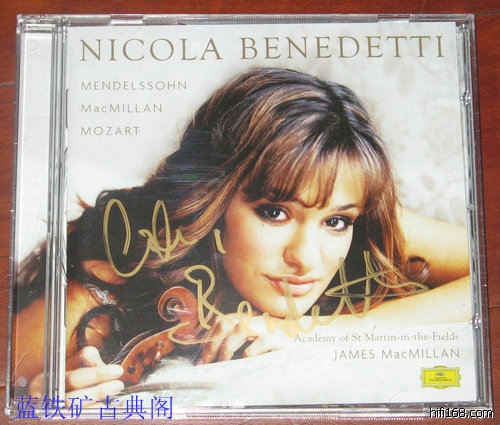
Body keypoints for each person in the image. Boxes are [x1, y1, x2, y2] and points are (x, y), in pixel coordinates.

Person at [12, 67, 470, 405]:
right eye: (274, 213)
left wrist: (302, 331)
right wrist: (33, 406)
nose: (307, 258)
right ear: (211, 200)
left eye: (336, 222)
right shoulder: (99, 290)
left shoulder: (354, 215)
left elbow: (487, 274)